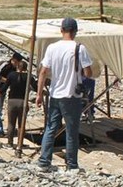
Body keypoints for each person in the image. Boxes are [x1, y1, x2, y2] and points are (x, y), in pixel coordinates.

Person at [36, 17, 93, 171]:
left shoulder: (52, 48)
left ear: (61, 30)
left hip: (55, 94)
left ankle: (44, 162)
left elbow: (43, 72)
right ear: (75, 31)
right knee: (72, 131)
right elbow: (88, 73)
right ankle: (72, 165)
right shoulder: (79, 48)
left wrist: (39, 94)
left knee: (50, 128)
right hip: (71, 95)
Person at [0, 52, 23, 137]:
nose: (17, 64)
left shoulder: (14, 68)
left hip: (3, 89)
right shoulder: (5, 65)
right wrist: (8, 81)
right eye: (16, 62)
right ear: (13, 59)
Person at [5, 60, 35, 145]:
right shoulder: (29, 76)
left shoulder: (11, 75)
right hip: (22, 102)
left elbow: (5, 86)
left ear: (17, 67)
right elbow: (35, 87)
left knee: (11, 123)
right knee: (21, 124)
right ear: (26, 68)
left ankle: (10, 143)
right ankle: (20, 143)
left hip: (12, 101)